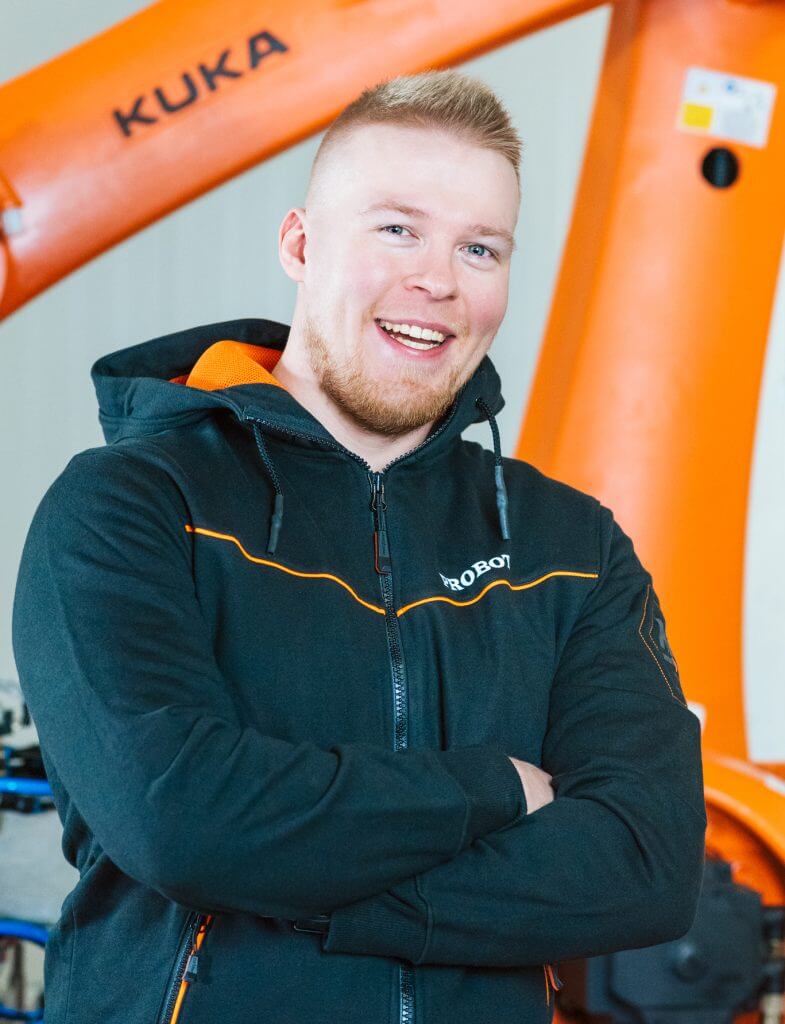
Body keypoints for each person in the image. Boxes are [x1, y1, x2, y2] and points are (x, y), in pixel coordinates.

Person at [11, 69, 706, 1024]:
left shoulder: (569, 546)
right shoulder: (130, 504)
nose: (437, 279)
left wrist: (286, 882)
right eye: (396, 229)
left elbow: (646, 865)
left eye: (479, 246)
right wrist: (494, 788)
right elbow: (179, 820)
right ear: (299, 244)